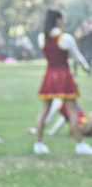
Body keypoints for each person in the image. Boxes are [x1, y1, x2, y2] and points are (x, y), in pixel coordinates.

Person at [33, 9, 92, 155]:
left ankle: (38, 144)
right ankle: (80, 145)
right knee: (72, 111)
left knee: (44, 111)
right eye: (63, 19)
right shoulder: (66, 38)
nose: (64, 22)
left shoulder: (42, 37)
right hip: (64, 76)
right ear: (58, 20)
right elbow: (77, 56)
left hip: (49, 76)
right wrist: (86, 67)